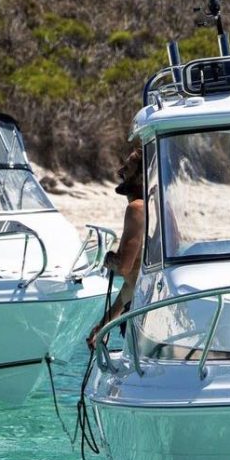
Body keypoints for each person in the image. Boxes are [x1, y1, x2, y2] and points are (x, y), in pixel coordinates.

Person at [86, 149, 145, 350]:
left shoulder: (137, 209)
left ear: (141, 177)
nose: (120, 171)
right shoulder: (159, 207)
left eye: (127, 168)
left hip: (142, 315)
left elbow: (124, 269)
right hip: (148, 305)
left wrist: (109, 259)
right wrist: (104, 325)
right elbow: (132, 283)